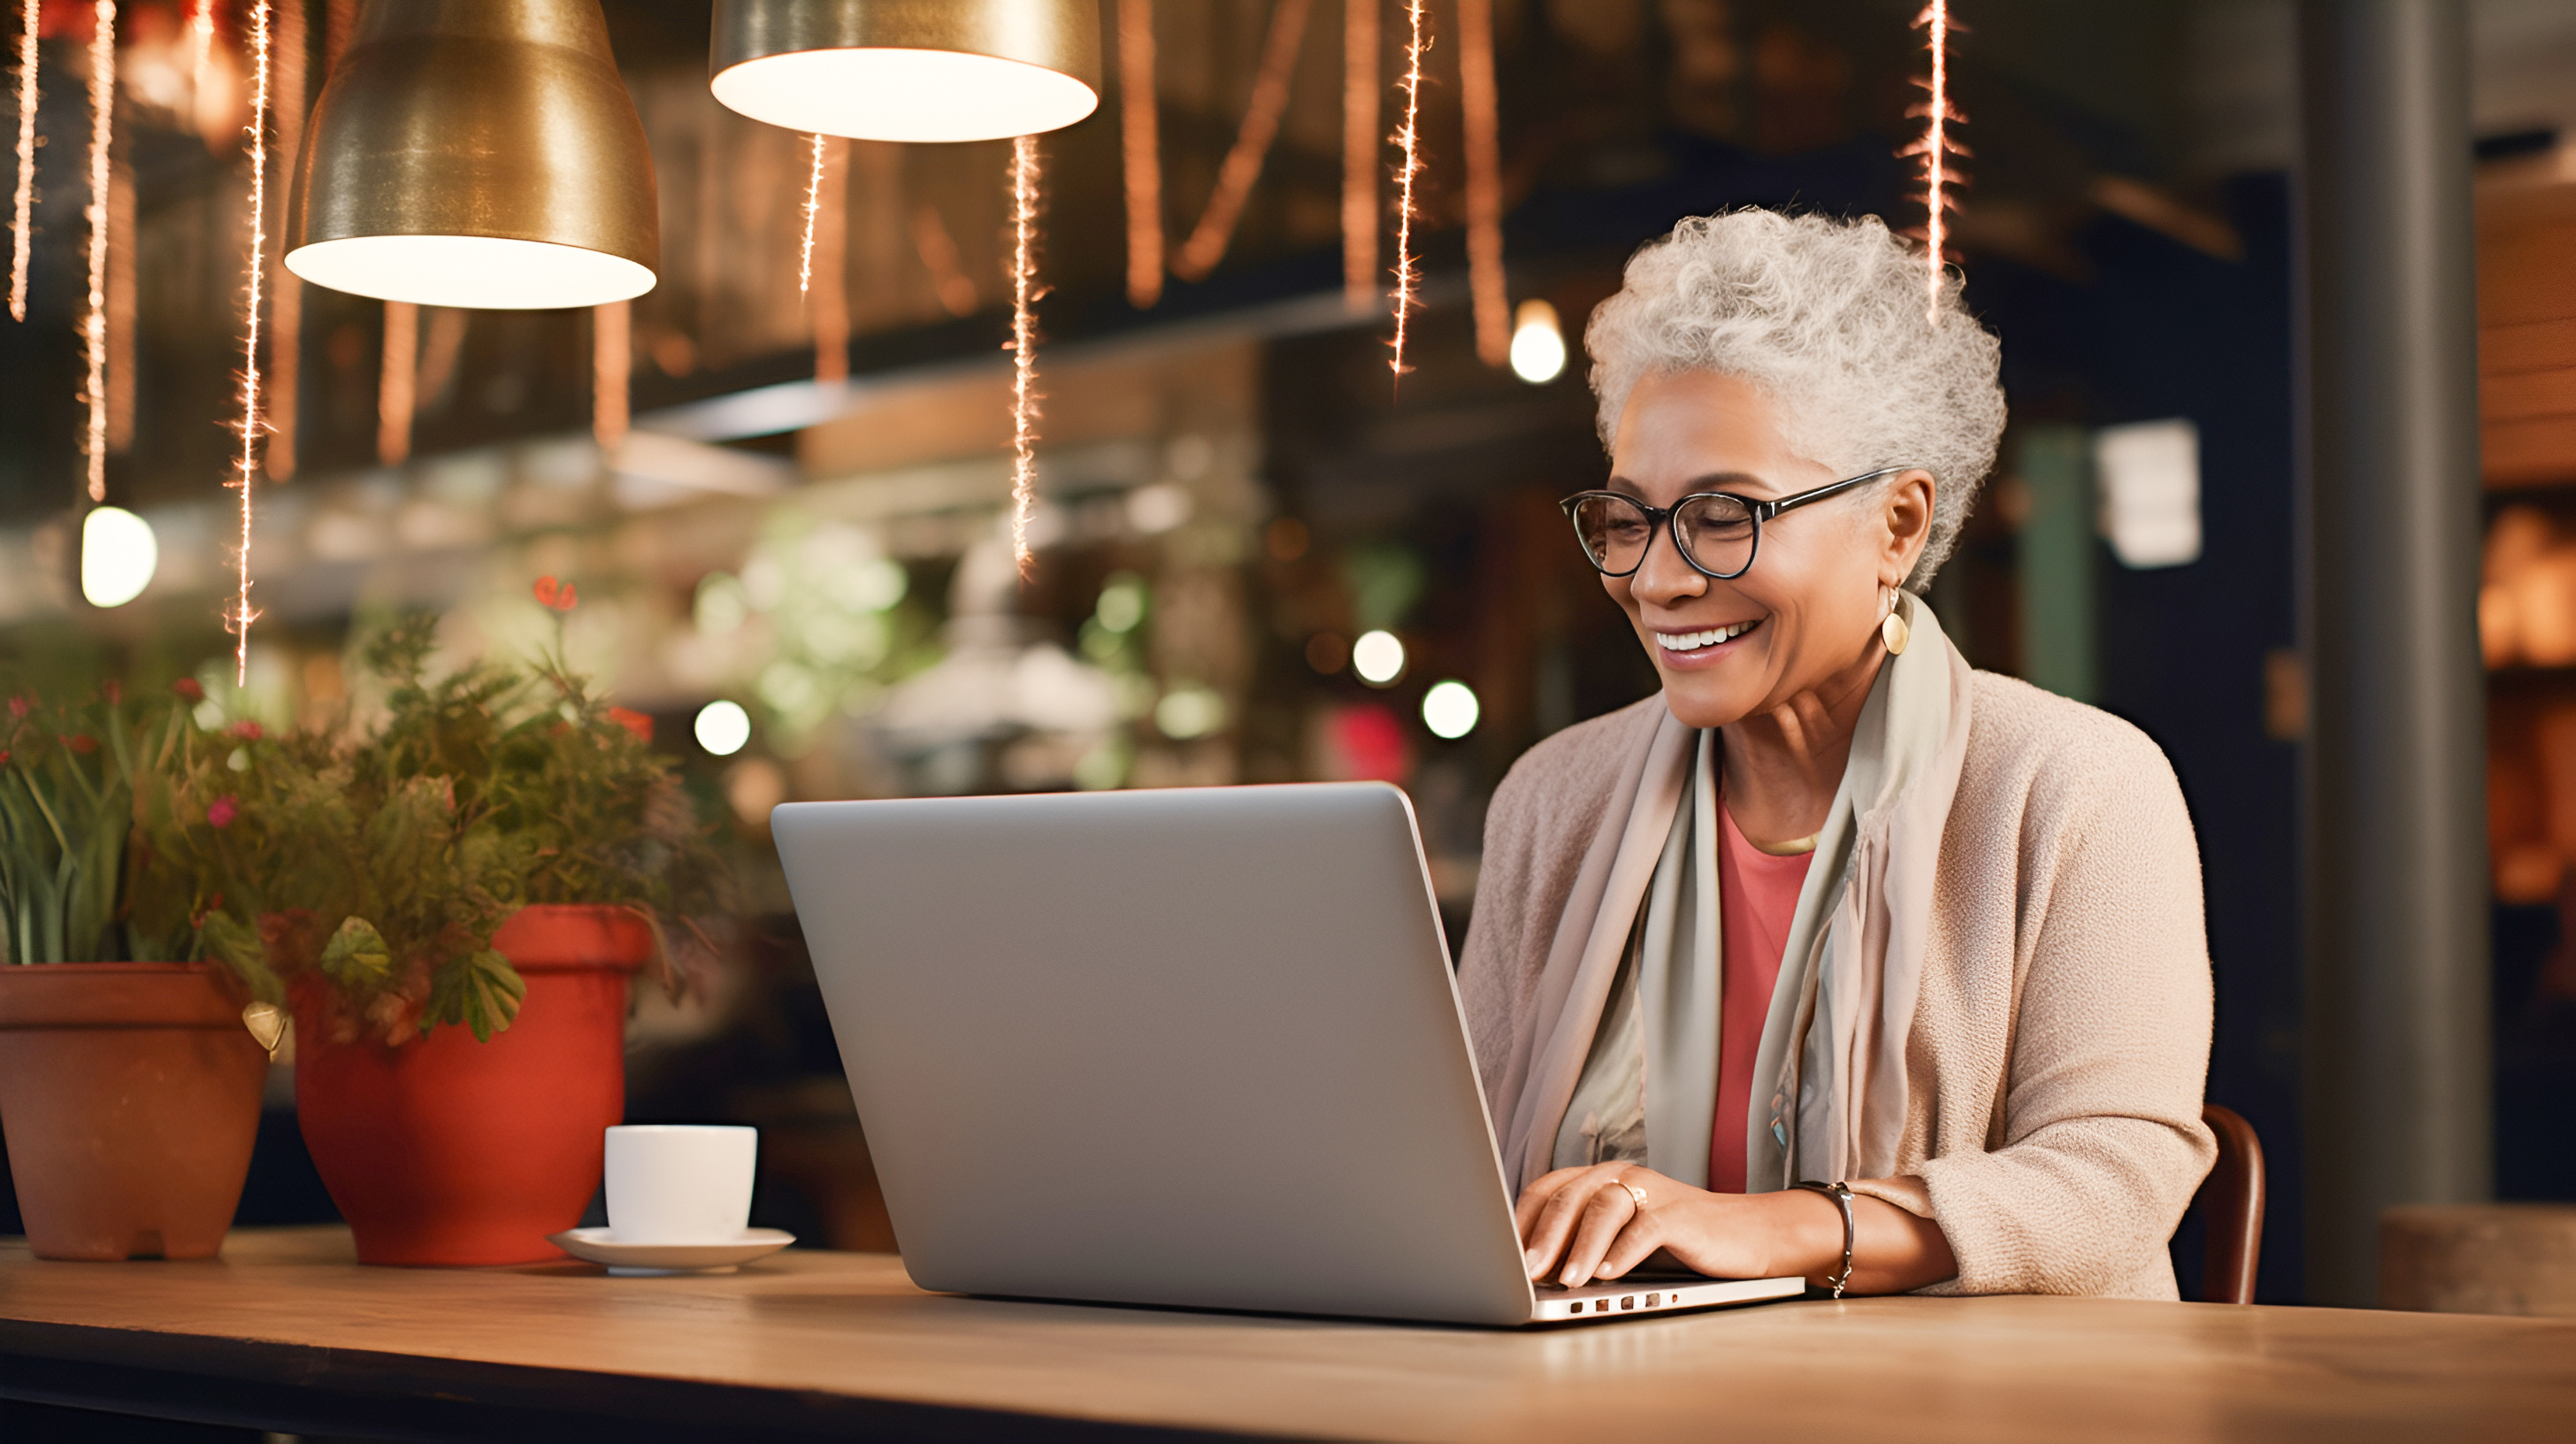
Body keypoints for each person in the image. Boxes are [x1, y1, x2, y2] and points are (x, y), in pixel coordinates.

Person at [1460, 210, 2214, 1300]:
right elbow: (1461, 1167)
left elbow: (2113, 1180)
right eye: (1628, 518)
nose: (1656, 580)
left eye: (1723, 515)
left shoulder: (2077, 784)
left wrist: (1776, 1230)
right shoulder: (1551, 797)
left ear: (1898, 526)